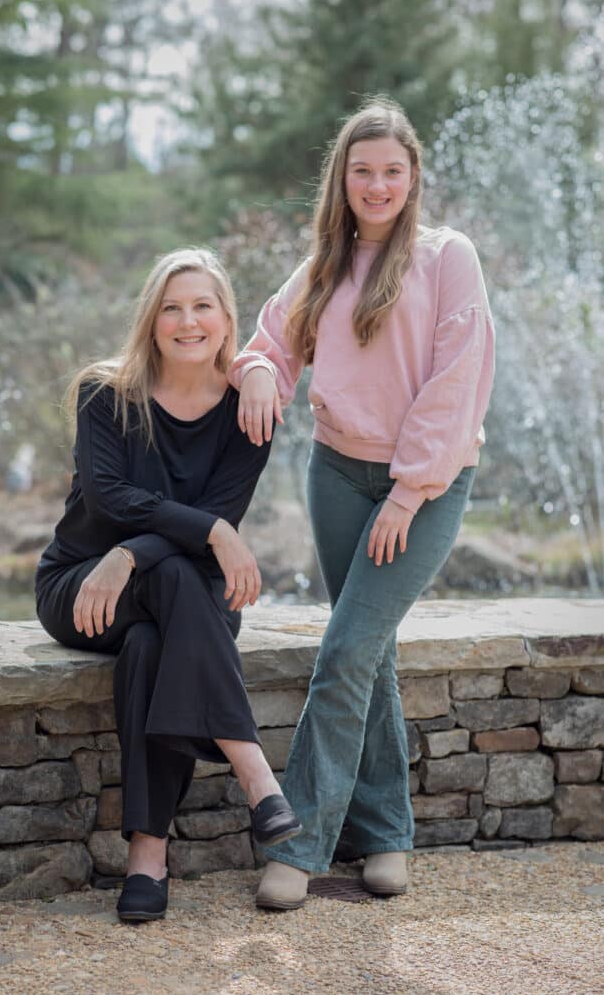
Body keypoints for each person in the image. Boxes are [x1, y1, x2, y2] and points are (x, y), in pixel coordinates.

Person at [228, 96, 495, 910]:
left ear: (412, 176)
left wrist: (410, 492)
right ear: (340, 180)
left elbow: (458, 381)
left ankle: (298, 842)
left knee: (344, 651)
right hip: (337, 477)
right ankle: (384, 834)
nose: (376, 185)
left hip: (428, 485)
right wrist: (265, 372)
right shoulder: (323, 264)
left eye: (391, 171)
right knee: (365, 651)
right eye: (361, 171)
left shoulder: (449, 256)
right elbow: (264, 343)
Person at [35, 249, 301, 923]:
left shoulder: (249, 406)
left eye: (202, 306)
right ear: (151, 321)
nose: (188, 321)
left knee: (154, 641)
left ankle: (147, 857)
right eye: (172, 308)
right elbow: (109, 497)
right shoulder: (105, 394)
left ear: (225, 319)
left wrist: (136, 551)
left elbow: (207, 510)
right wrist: (208, 532)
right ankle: (253, 772)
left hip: (181, 601)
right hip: (84, 588)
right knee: (179, 571)